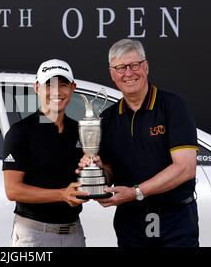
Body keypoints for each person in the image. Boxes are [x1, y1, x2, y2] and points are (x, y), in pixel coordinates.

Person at [79, 39, 199, 247]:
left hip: (174, 220)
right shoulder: (108, 118)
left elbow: (185, 168)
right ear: (112, 74)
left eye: (134, 65)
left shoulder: (173, 106)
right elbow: (108, 170)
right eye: (121, 68)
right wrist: (97, 172)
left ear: (146, 67)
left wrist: (135, 192)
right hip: (130, 221)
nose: (128, 73)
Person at [3, 59, 89, 247]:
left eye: (63, 84)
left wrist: (95, 173)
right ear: (37, 88)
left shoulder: (80, 130)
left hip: (74, 233)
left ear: (73, 88)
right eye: (49, 84)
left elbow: (97, 172)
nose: (57, 92)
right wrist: (62, 195)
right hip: (35, 235)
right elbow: (12, 190)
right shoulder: (20, 132)